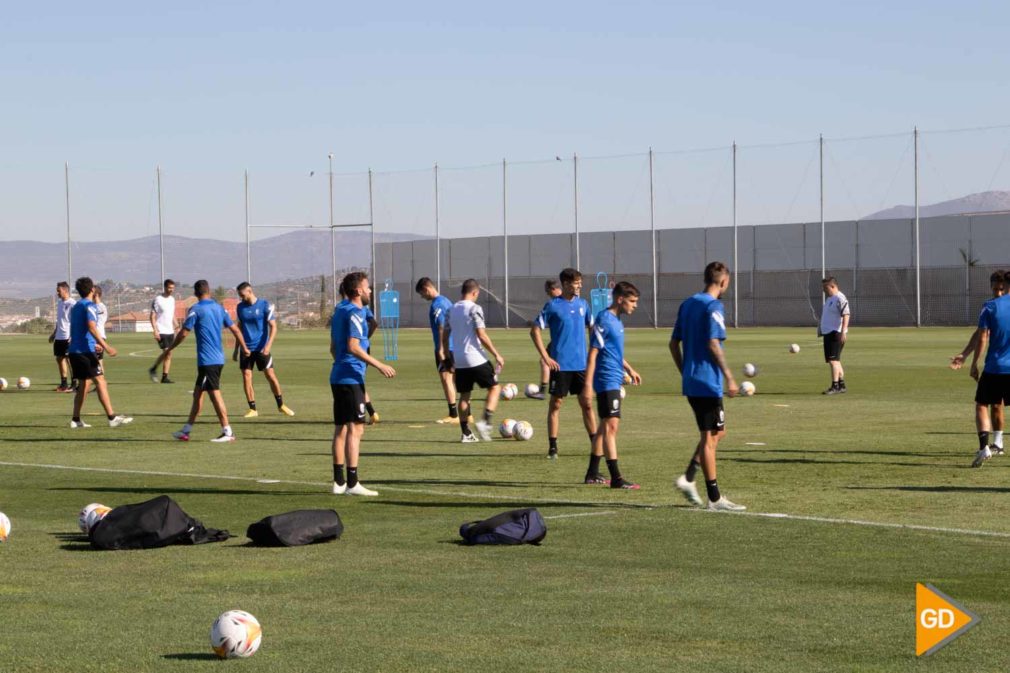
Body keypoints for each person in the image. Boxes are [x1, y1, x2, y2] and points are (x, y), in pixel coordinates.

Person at [670, 261, 745, 511]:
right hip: (708, 381)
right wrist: (730, 377)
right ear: (723, 282)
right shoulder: (714, 306)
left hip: (692, 381)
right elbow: (714, 344)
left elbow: (673, 344)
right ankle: (715, 499)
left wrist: (685, 372)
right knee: (710, 438)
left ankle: (689, 477)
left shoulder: (688, 303)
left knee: (717, 433)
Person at [329, 272, 395, 496]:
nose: (369, 291)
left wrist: (365, 338)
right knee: (356, 429)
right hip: (351, 376)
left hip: (337, 374)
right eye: (367, 288)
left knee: (340, 429)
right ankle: (353, 483)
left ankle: (338, 482)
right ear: (358, 291)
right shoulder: (356, 312)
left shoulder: (340, 310)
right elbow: (353, 346)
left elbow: (333, 347)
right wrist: (379, 364)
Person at [530, 268, 598, 466]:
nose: (580, 285)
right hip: (560, 366)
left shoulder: (583, 305)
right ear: (566, 284)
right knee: (556, 404)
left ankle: (595, 442)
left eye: (580, 282)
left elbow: (593, 329)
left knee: (587, 404)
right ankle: (553, 445)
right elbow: (534, 331)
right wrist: (546, 357)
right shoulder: (552, 306)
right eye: (576, 282)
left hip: (581, 366)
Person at [168, 280, 250, 442]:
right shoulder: (219, 308)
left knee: (214, 394)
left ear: (196, 294)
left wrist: (171, 347)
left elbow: (184, 333)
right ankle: (186, 430)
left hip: (208, 361)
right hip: (218, 358)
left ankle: (227, 431)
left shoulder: (196, 309)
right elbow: (235, 329)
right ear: (209, 291)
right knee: (198, 394)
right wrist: (245, 348)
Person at [580, 281, 643, 489]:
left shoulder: (617, 321)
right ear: (620, 299)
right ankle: (616, 478)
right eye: (632, 301)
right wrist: (588, 385)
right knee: (611, 426)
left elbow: (613, 352)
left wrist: (629, 369)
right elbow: (594, 353)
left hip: (615, 377)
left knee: (604, 427)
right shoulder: (604, 319)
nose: (635, 305)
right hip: (605, 379)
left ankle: (592, 472)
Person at [951, 269, 1010, 467]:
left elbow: (983, 336)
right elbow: (979, 333)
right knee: (994, 404)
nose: (998, 292)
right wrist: (964, 354)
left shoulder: (990, 307)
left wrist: (974, 363)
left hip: (995, 367)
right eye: (996, 288)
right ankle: (997, 444)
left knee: (981, 404)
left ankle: (985, 446)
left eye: (1001, 288)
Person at [66, 277, 132, 429]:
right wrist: (106, 346)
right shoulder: (90, 306)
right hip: (85, 352)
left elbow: (79, 328)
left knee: (84, 385)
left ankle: (76, 419)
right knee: (101, 381)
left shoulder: (76, 306)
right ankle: (112, 417)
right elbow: (91, 327)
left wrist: (93, 343)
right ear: (92, 290)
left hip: (75, 351)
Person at [444, 279, 505, 442]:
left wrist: (447, 357)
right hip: (476, 358)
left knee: (464, 396)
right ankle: (485, 421)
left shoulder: (451, 309)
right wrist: (496, 354)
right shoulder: (474, 308)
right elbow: (481, 334)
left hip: (460, 360)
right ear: (475, 293)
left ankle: (466, 433)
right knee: (495, 388)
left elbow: (444, 335)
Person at [233, 282, 295, 418]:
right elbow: (240, 328)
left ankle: (281, 405)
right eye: (239, 295)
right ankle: (252, 409)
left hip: (262, 349)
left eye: (242, 295)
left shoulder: (264, 305)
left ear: (250, 291)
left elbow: (273, 326)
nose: (241, 298)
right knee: (246, 376)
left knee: (270, 376)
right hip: (246, 349)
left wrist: (268, 346)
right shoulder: (240, 307)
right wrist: (237, 349)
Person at [415, 277, 460, 424]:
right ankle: (468, 414)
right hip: (454, 345)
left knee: (447, 379)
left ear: (426, 289)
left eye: (422, 294)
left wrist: (441, 349)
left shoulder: (437, 305)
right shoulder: (446, 300)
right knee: (454, 380)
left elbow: (442, 327)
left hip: (446, 347)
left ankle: (453, 415)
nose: (422, 297)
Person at [526, 279, 563, 400]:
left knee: (546, 361)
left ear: (553, 289)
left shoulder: (553, 304)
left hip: (560, 341)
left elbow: (535, 330)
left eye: (547, 291)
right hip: (562, 341)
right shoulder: (573, 301)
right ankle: (543, 390)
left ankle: (543, 391)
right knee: (544, 361)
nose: (547, 294)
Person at [820, 277, 850, 395]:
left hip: (835, 333)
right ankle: (841, 385)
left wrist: (843, 331)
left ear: (833, 286)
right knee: (836, 361)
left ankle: (835, 386)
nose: (823, 290)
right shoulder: (829, 299)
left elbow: (846, 314)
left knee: (833, 361)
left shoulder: (840, 298)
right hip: (828, 333)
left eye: (825, 288)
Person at [148, 279, 178, 384]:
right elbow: (152, 316)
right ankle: (155, 369)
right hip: (161, 329)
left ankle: (163, 376)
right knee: (167, 352)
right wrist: (155, 330)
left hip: (170, 330)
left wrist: (176, 325)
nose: (171, 290)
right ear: (165, 287)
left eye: (173, 288)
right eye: (170, 288)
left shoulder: (172, 300)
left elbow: (172, 314)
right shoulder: (158, 299)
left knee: (169, 354)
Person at [49, 281, 76, 392]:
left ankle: (74, 384)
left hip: (68, 336)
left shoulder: (73, 304)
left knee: (70, 360)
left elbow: (75, 321)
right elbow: (59, 320)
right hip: (59, 336)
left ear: (65, 290)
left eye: (59, 291)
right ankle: (64, 383)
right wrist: (54, 333)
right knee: (59, 359)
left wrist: (72, 336)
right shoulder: (60, 303)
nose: (57, 293)